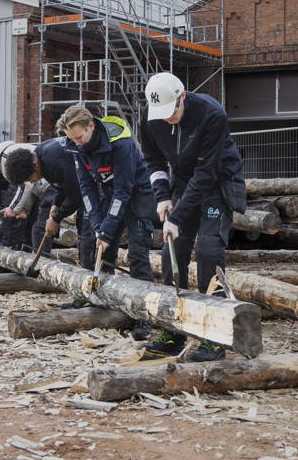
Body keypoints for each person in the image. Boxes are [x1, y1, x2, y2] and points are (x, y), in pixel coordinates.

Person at [140, 72, 246, 361]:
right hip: (183, 183)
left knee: (209, 250)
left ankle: (215, 334)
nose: (167, 119)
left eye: (172, 111)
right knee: (171, 250)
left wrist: (178, 214)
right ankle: (173, 328)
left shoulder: (211, 114)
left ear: (182, 96)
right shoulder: (149, 116)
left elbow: (206, 172)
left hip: (217, 181)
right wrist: (162, 196)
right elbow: (153, 160)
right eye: (160, 114)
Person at [55, 105, 154, 340]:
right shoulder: (76, 148)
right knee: (97, 245)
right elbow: (86, 188)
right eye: (72, 139)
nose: (77, 143)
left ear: (91, 126)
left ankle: (145, 316)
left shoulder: (121, 144)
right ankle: (98, 298)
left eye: (79, 137)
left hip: (137, 196)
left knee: (137, 254)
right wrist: (99, 225)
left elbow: (124, 189)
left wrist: (108, 229)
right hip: (107, 193)